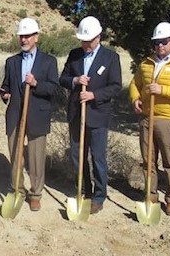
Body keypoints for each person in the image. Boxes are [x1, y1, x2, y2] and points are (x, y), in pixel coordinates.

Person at [128, 22, 170, 217]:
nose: (160, 46)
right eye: (156, 42)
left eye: (164, 42)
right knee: (148, 160)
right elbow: (135, 83)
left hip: (169, 119)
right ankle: (150, 195)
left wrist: (162, 90)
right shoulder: (146, 63)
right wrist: (135, 98)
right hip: (146, 118)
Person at [59, 16, 122, 214]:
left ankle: (99, 194)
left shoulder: (111, 58)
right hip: (76, 114)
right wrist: (76, 80)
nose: (85, 44)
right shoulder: (74, 54)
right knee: (78, 156)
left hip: (98, 115)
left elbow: (115, 87)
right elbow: (63, 78)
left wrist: (94, 94)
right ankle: (84, 189)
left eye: (89, 40)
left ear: (99, 37)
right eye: (83, 40)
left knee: (98, 157)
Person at [0, 18, 59, 212]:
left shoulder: (49, 61)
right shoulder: (12, 61)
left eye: (27, 36)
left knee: (35, 157)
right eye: (21, 36)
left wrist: (36, 84)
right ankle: (18, 189)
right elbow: (7, 85)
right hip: (15, 114)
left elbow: (54, 89)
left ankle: (35, 194)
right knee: (16, 155)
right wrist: (5, 93)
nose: (23, 39)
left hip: (37, 115)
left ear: (36, 37)